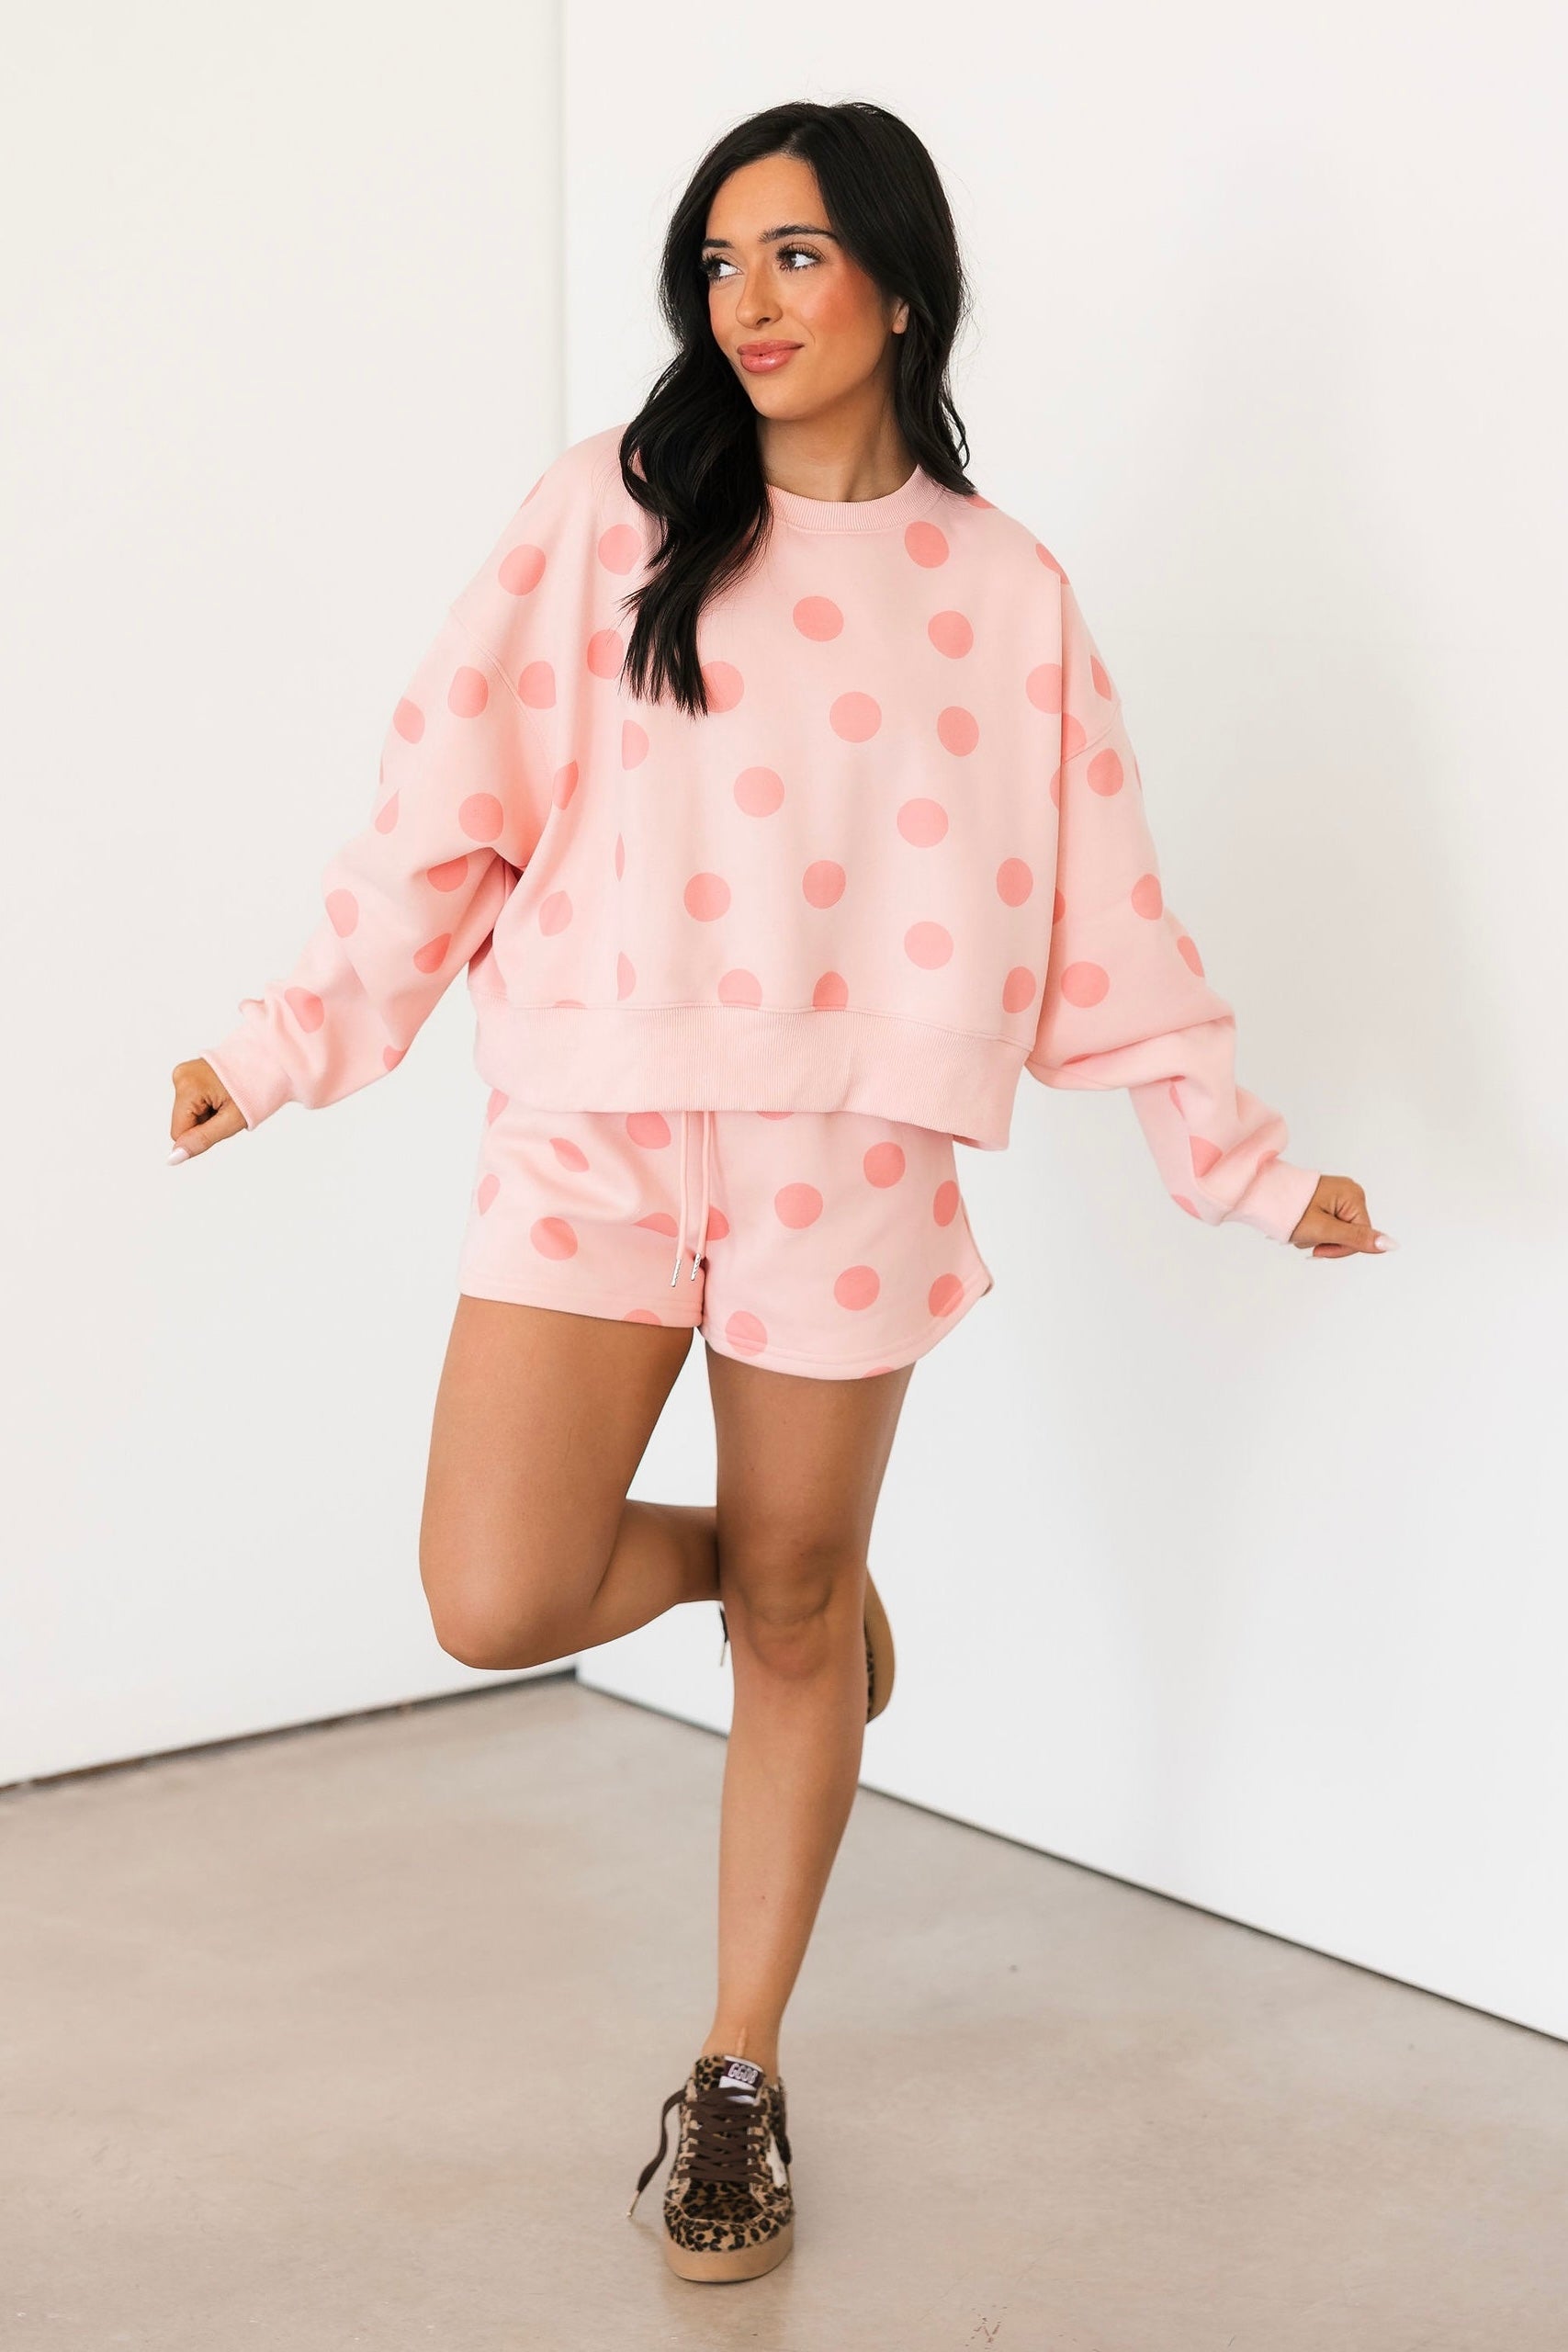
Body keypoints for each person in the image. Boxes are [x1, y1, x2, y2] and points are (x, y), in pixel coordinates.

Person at [167, 97, 1392, 2288]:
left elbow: (1104, 911)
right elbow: (444, 803)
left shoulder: (1002, 593)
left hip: (852, 1147)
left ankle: (736, 2065)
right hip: (596, 1120)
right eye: (719, 263)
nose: (746, 302)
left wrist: (1239, 1162)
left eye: (797, 255)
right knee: (495, 1589)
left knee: (792, 1626)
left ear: (899, 285)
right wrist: (283, 1044)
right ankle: (781, 1570)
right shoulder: (606, 515)